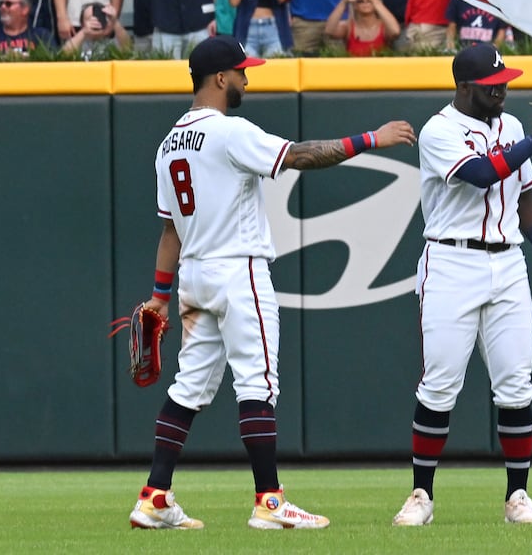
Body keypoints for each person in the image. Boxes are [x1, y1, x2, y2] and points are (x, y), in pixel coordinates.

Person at [132, 35, 414, 531]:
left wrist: (158, 295)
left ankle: (154, 497)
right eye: (241, 71)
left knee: (189, 386)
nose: (246, 78)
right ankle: (270, 501)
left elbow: (169, 229)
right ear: (219, 78)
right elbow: (301, 156)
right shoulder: (227, 131)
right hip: (239, 269)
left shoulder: (168, 142)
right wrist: (372, 138)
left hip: (195, 277)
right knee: (258, 383)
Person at [391, 43, 532, 528]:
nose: (503, 90)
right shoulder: (438, 130)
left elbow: (525, 196)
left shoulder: (510, 126)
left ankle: (518, 497)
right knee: (440, 385)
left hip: (508, 261)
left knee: (515, 384)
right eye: (493, 86)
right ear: (465, 87)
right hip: (451, 261)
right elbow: (479, 174)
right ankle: (421, 495)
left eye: (505, 81)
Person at [324, 0, 402, 55]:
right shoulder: (348, 27)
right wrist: (344, 1)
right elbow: (329, 31)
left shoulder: (384, 26)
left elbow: (395, 32)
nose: (365, 3)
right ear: (354, 5)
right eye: (360, 1)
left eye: (369, 0)